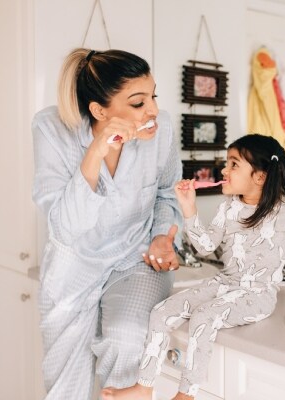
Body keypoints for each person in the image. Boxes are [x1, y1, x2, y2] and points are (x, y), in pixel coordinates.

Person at [101, 134, 285, 400]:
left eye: (233, 164)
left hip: (258, 293)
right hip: (225, 283)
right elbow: (205, 246)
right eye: (226, 163)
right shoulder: (229, 208)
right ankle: (144, 386)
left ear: (259, 176)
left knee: (206, 316)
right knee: (161, 311)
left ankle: (187, 392)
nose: (224, 170)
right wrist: (189, 209)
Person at [31, 48, 182, 400]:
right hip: (74, 266)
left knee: (127, 340)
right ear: (100, 111)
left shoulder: (163, 131)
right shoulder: (51, 129)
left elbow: (167, 193)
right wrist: (96, 152)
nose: (154, 111)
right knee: (64, 387)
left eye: (153, 96)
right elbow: (66, 227)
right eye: (138, 103)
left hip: (135, 259)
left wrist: (163, 236)